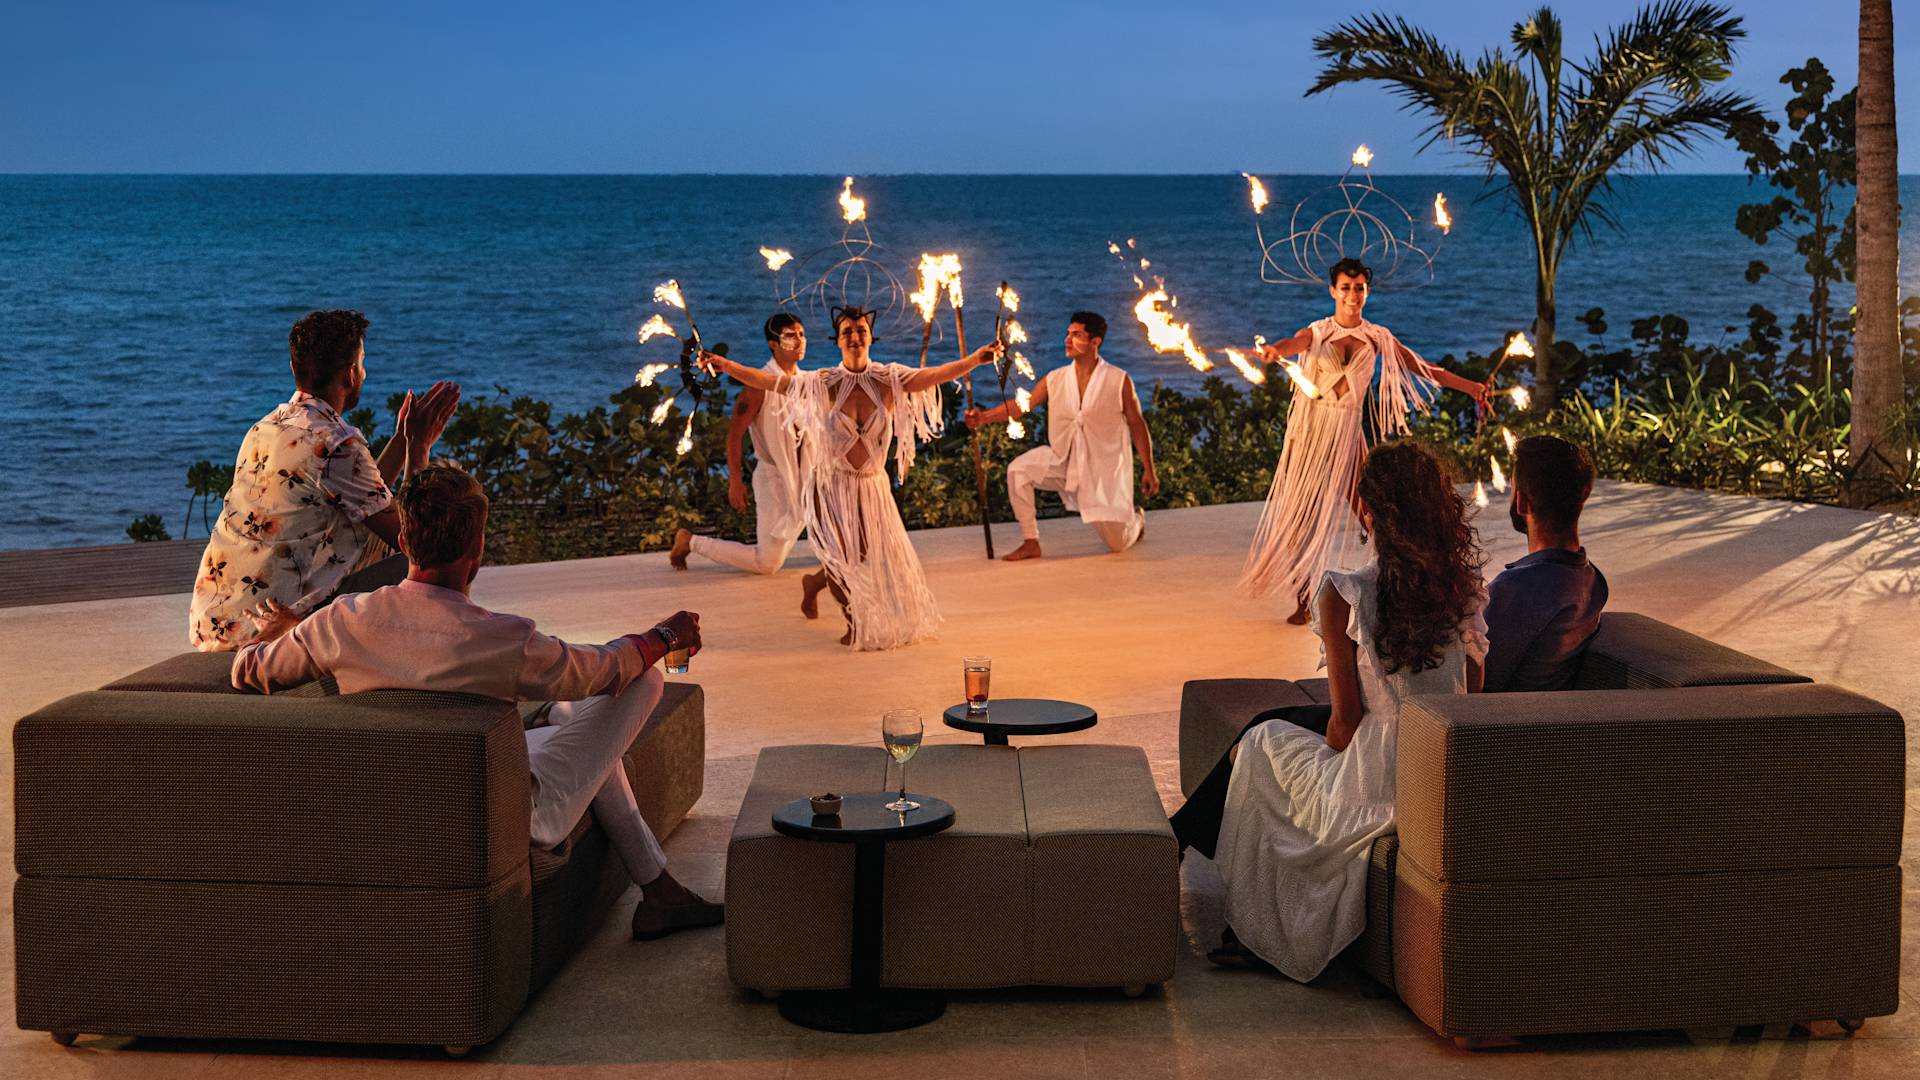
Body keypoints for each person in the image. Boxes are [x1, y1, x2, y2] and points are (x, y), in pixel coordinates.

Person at [230, 464, 722, 941]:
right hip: (506, 812)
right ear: (478, 551)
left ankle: (660, 892)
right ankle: (659, 889)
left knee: (586, 729)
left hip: (395, 801)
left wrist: (281, 633)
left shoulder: (340, 623)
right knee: (641, 685)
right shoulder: (503, 641)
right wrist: (663, 635)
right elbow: (606, 670)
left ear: (404, 544)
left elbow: (248, 671)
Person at [1178, 442, 1487, 980]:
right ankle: (1243, 924)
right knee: (1274, 741)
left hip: (1377, 780)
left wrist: (1331, 755)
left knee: (1262, 745)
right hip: (1448, 767)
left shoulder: (1345, 591)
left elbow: (1343, 728)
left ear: (1367, 510)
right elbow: (1474, 701)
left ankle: (1254, 926)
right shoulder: (1463, 590)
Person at [699, 306, 1001, 649]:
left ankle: (813, 584)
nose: (855, 337)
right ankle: (854, 622)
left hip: (872, 486)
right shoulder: (824, 382)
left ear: (870, 337)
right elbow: (770, 382)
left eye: (861, 330)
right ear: (838, 340)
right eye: (847, 332)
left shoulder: (890, 379)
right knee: (841, 559)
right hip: (832, 483)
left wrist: (975, 359)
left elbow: (936, 374)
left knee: (860, 556)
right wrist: (726, 366)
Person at [189, 309, 460, 650]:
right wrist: (419, 448)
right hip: (266, 634)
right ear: (350, 375)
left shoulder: (264, 429)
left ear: (294, 369)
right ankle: (427, 660)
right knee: (430, 556)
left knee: (379, 531)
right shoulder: (335, 443)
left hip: (214, 626)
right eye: (362, 363)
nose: (364, 371)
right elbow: (415, 542)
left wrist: (402, 440)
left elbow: (363, 494)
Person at [1242, 258, 1492, 623]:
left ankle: (1396, 582)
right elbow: (1293, 343)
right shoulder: (1318, 332)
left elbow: (1424, 368)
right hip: (1312, 433)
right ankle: (1302, 596)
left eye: (1359, 288)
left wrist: (1470, 387)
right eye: (1345, 287)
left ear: (1367, 291)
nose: (1352, 295)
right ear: (1333, 291)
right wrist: (1276, 351)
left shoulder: (1377, 337)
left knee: (1373, 512)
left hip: (1347, 433)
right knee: (1301, 517)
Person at [963, 311, 1160, 559]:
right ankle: (1031, 541)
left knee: (1118, 544)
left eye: (1076, 335)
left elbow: (1137, 424)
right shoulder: (1055, 378)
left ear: (1095, 342)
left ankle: (1137, 520)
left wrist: (1149, 470)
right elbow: (1021, 406)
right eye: (1068, 334)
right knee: (1019, 471)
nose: (1068, 339)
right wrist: (984, 417)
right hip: (1063, 462)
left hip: (1101, 474)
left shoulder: (1118, 380)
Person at [670, 313, 814, 575]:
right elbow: (735, 434)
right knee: (767, 564)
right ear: (773, 344)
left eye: (802, 334)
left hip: (804, 476)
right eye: (791, 335)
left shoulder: (805, 382)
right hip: (774, 479)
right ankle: (690, 541)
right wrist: (735, 480)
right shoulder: (758, 386)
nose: (800, 340)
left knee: (834, 521)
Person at [1485, 435, 1608, 692]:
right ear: (1582, 496)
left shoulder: (1516, 589)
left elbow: (1476, 683)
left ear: (1522, 503)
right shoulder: (1592, 580)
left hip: (1502, 724)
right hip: (1548, 720)